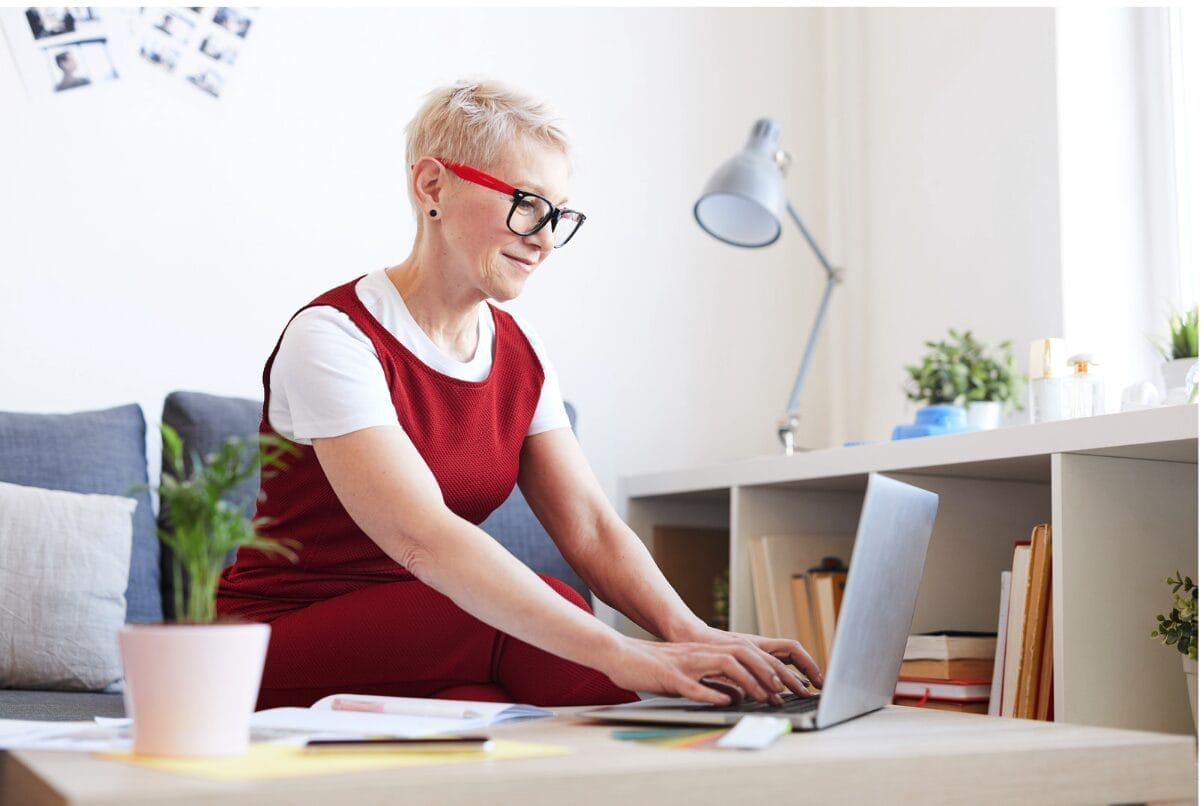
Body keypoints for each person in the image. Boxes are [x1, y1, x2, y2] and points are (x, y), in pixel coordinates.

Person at [217, 80, 822, 710]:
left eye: (559, 215)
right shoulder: (334, 338)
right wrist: (629, 653)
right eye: (527, 204)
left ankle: (734, 737)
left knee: (487, 693)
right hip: (283, 637)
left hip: (431, 633)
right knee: (540, 615)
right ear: (432, 187)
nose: (545, 238)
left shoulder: (521, 355)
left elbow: (589, 527)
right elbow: (423, 538)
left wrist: (693, 634)